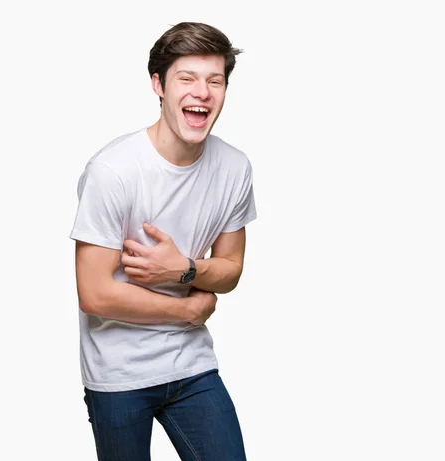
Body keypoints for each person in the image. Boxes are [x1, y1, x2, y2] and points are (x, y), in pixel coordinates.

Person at [69, 21, 256, 461]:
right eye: (186, 78)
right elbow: (94, 293)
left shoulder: (235, 168)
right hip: (117, 373)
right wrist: (187, 307)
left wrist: (184, 269)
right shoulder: (113, 171)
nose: (202, 92)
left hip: (192, 366)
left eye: (215, 80)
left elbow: (231, 269)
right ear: (159, 84)